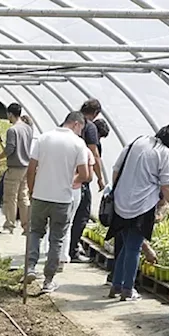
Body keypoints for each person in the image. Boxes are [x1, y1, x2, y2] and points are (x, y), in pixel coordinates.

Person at [107, 124, 169, 301]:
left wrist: (118, 191)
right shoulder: (164, 153)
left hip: (121, 202)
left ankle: (116, 286)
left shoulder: (138, 141)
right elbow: (167, 185)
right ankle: (128, 289)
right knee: (133, 249)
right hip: (141, 206)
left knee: (126, 247)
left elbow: (116, 169)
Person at [24, 112, 93, 294]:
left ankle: (30, 268)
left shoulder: (44, 138)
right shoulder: (78, 143)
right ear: (77, 124)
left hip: (41, 195)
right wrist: (69, 180)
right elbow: (85, 175)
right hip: (62, 199)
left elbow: (31, 169)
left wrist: (32, 190)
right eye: (82, 128)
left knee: (35, 232)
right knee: (57, 239)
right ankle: (48, 280)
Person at [69, 99, 107, 262]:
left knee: (66, 214)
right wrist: (100, 178)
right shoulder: (89, 127)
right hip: (81, 177)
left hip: (65, 175)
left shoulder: (69, 122)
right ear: (96, 113)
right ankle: (72, 251)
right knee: (82, 214)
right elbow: (94, 153)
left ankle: (61, 249)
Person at [0, 103, 34, 234]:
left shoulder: (12, 130)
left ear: (10, 114)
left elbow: (10, 149)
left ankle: (9, 225)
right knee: (23, 197)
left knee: (10, 197)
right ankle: (26, 227)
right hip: (26, 166)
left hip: (15, 167)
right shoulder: (28, 129)